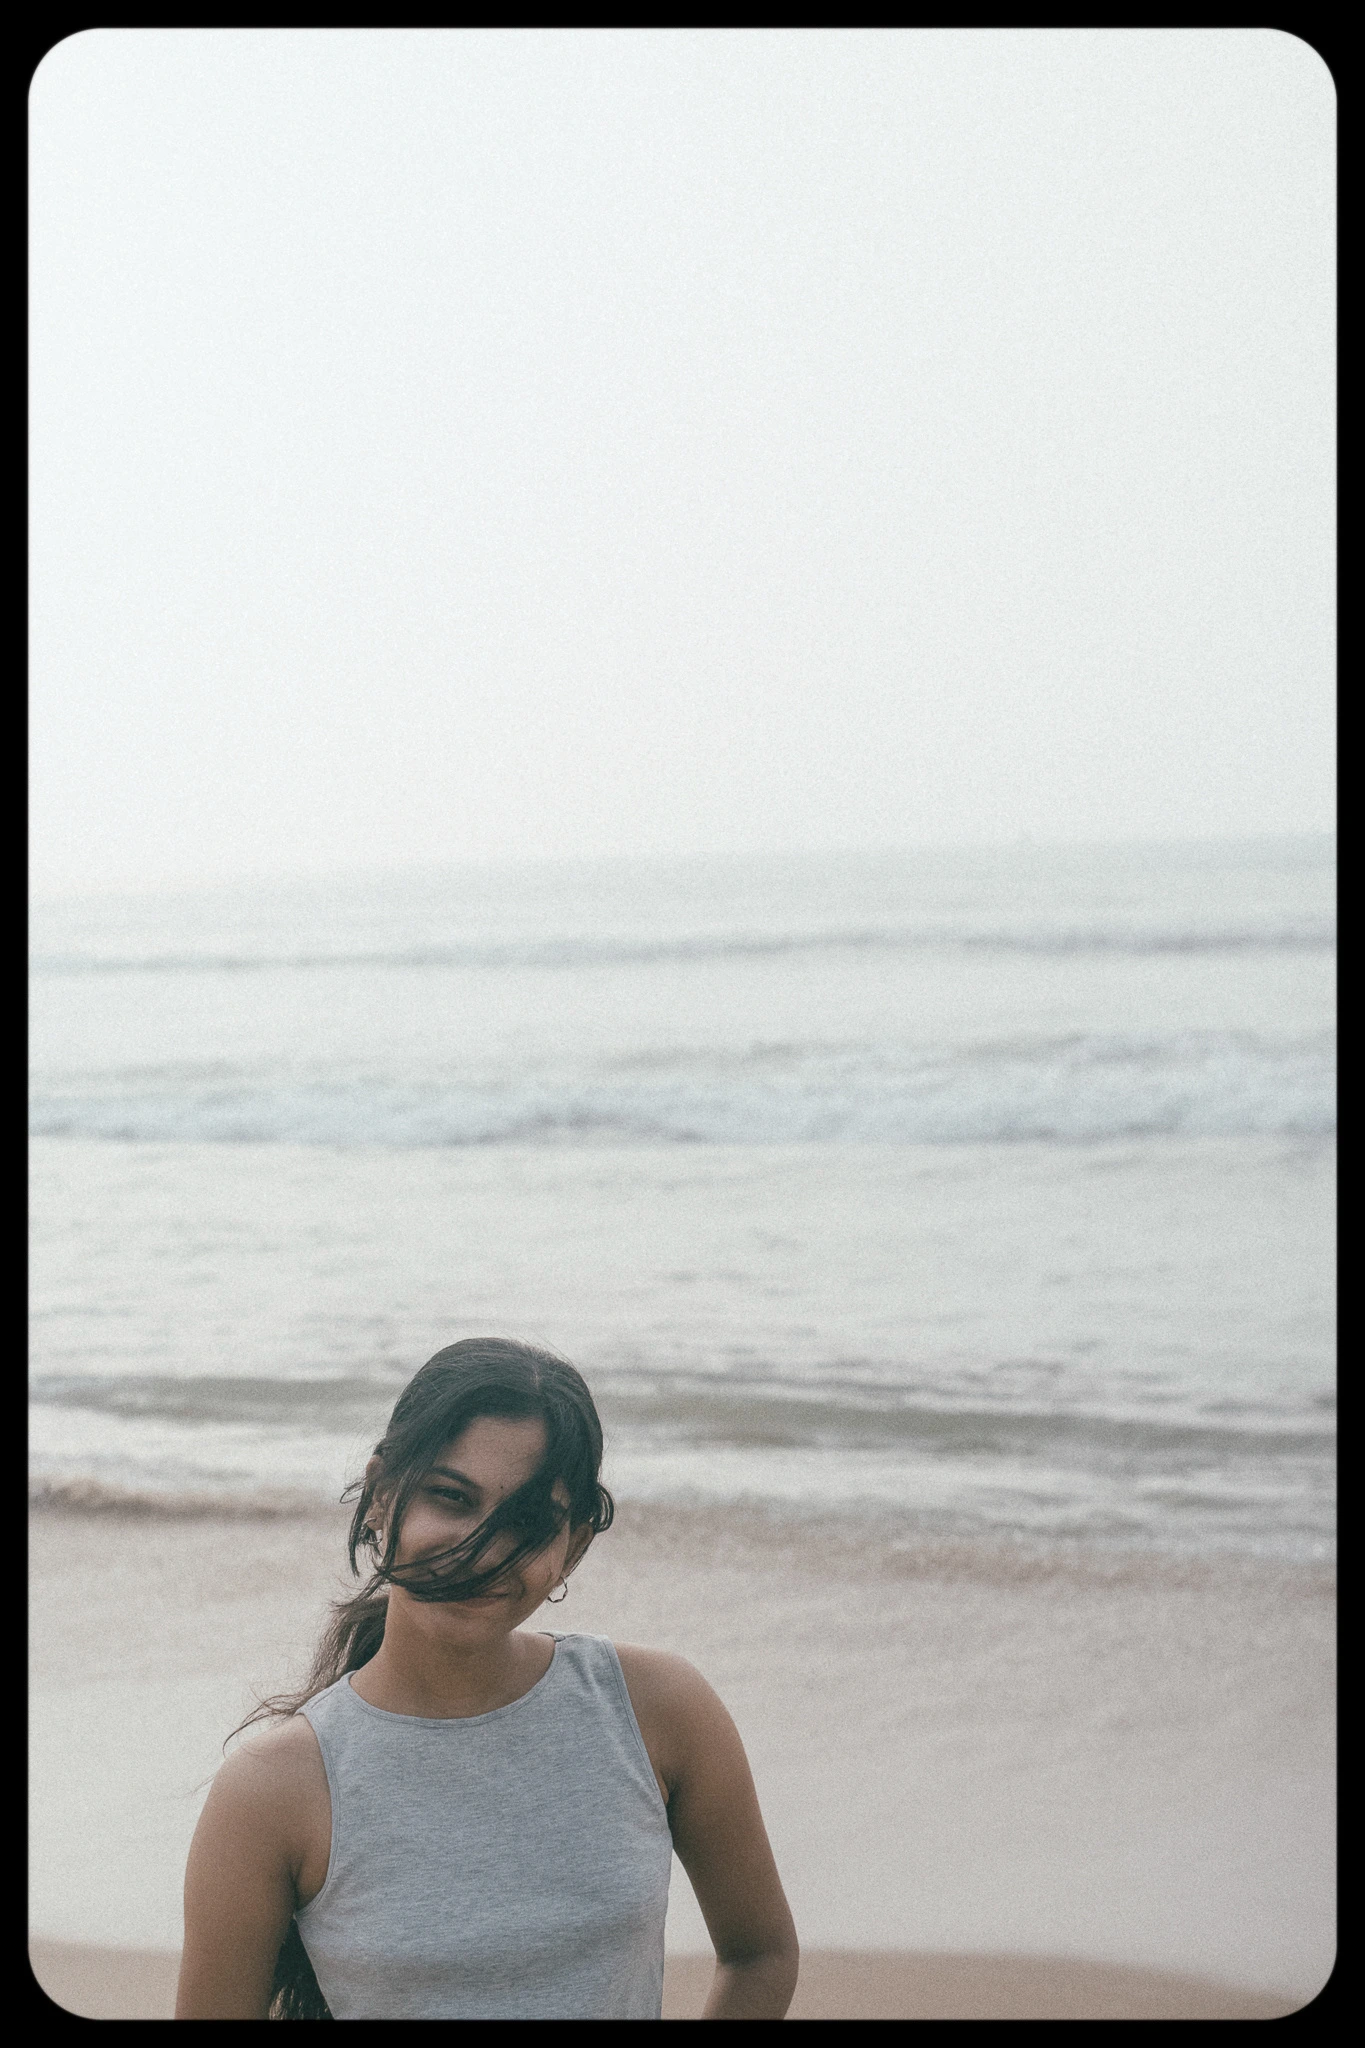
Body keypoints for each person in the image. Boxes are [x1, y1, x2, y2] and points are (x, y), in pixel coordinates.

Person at [174, 1337, 799, 2019]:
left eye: (529, 1521)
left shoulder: (655, 1710)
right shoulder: (274, 1788)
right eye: (451, 1497)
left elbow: (759, 1955)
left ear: (574, 1545)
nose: (482, 1551)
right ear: (381, 1496)